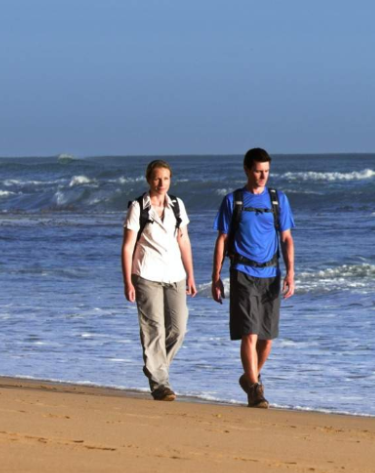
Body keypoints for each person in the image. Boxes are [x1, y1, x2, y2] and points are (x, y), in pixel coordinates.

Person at [211, 147, 295, 408]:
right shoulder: (233, 200)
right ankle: (256, 389)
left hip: (271, 274)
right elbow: (222, 240)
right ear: (247, 169)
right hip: (243, 273)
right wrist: (216, 276)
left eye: (266, 171)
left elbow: (286, 238)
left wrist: (291, 273)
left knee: (267, 338)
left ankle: (250, 378)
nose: (262, 176)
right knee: (250, 333)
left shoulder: (277, 200)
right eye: (258, 171)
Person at [120, 159, 195, 400]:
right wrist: (128, 281)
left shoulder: (177, 205)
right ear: (148, 180)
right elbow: (128, 246)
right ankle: (160, 385)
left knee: (178, 329)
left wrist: (191, 274)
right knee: (154, 330)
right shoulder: (138, 207)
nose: (161, 183)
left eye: (166, 178)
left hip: (176, 275)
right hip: (146, 275)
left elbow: (184, 240)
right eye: (157, 178)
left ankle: (154, 366)